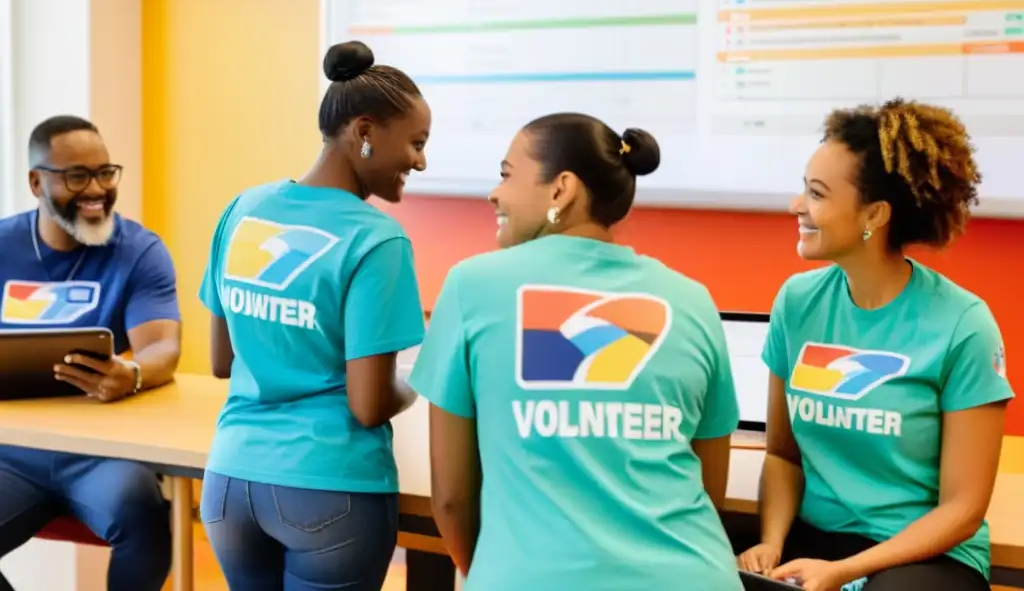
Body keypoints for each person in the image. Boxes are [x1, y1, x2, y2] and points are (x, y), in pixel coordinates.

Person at [409, 113, 744, 591]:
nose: (494, 193)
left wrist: (494, 570)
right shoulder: (692, 299)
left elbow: (450, 498)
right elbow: (710, 487)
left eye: (506, 174)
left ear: (561, 190)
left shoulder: (471, 285)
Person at [737, 99, 1015, 591]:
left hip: (925, 555)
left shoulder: (963, 324)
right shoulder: (797, 302)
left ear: (875, 214)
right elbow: (783, 455)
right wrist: (772, 542)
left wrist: (847, 572)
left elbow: (964, 508)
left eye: (816, 194)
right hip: (817, 538)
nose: (795, 206)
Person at [198, 41, 430, 591]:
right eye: (416, 143)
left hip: (230, 486)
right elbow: (369, 403)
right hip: (330, 489)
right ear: (366, 132)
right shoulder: (377, 239)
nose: (421, 161)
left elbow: (220, 361)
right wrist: (412, 383)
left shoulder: (244, 208)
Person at [0, 115, 182, 591]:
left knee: (146, 525)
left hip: (104, 452)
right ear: (36, 181)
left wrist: (134, 374)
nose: (97, 189)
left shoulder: (140, 251)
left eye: (106, 172)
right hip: (12, 452)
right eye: (78, 176)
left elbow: (163, 345)